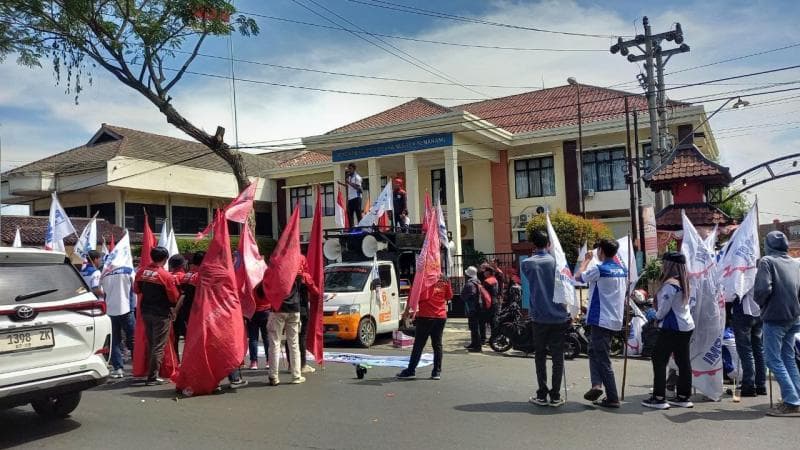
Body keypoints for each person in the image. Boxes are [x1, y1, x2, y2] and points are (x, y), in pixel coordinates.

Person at [575, 239, 626, 408]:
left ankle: (613, 397)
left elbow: (578, 277)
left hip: (601, 318)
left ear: (601, 251)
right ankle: (596, 384)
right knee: (592, 350)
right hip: (615, 318)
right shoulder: (621, 269)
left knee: (602, 358)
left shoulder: (599, 269)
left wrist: (586, 260)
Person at [754, 231, 800, 417]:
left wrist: (762, 304)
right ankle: (796, 397)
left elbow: (762, 289)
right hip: (794, 317)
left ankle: (791, 401)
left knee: (772, 360)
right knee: (787, 358)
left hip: (775, 317)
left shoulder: (767, 261)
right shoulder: (794, 263)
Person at [641, 252, 695, 410]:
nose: (662, 266)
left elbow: (664, 307)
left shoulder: (670, 284)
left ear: (670, 264)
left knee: (658, 359)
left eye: (664, 263)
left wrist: (656, 318)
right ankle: (684, 397)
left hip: (673, 326)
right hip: (686, 325)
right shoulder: (684, 280)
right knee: (683, 361)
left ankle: (658, 398)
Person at [523, 230, 570, 407]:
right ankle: (556, 395)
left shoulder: (527, 263)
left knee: (540, 356)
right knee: (558, 357)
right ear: (548, 244)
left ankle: (542, 394)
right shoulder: (557, 262)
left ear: (533, 244)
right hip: (559, 316)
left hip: (539, 317)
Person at [262, 263, 320, 386]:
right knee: (294, 343)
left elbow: (265, 286)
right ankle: (296, 375)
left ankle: (273, 376)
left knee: (274, 343)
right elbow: (312, 288)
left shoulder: (275, 269)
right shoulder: (297, 271)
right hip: (294, 308)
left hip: (278, 308)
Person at [134, 246, 180, 386]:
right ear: (165, 259)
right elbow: (174, 297)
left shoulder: (141, 271)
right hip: (161, 313)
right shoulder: (165, 276)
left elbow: (136, 289)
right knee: (158, 346)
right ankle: (152, 377)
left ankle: (150, 372)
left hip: (145, 311)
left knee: (152, 343)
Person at [397, 273, 453, 380]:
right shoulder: (444, 279)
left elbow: (413, 296)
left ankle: (411, 370)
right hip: (440, 316)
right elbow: (449, 296)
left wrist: (406, 313)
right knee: (437, 345)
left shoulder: (422, 277)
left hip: (425, 316)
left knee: (418, 345)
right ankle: (436, 372)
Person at [101, 261, 135, 379]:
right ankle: (137, 367)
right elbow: (135, 288)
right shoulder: (128, 270)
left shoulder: (105, 273)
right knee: (133, 339)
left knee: (114, 340)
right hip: (127, 309)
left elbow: (102, 291)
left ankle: (118, 368)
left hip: (110, 310)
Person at [732, 289, 767, 397]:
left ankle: (748, 385)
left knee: (745, 351)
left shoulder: (743, 271)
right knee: (758, 349)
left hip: (744, 312)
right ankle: (760, 385)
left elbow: (734, 292)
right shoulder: (761, 271)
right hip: (759, 311)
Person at [286, 257, 316, 374]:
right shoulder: (305, 277)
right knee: (301, 338)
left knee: (290, 338)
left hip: (286, 309)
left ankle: (291, 365)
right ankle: (302, 365)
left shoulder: (285, 274)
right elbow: (315, 290)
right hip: (301, 310)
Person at [174, 251, 203, 361]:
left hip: (184, 311)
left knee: (188, 338)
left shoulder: (186, 276)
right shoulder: (200, 276)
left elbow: (182, 294)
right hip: (197, 312)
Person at [248, 288, 270, 370]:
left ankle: (254, 362)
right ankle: (269, 360)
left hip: (253, 312)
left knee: (253, 338)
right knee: (267, 337)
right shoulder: (266, 283)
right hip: (266, 311)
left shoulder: (252, 282)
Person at [461, 266, 482, 352]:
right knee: (474, 327)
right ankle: (474, 343)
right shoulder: (477, 281)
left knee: (474, 327)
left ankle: (477, 346)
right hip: (476, 308)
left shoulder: (470, 284)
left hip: (472, 308)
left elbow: (472, 294)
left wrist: (464, 297)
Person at [480, 266, 499, 343]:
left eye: (485, 271)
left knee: (482, 321)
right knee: (493, 321)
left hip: (489, 303)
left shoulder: (487, 281)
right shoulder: (495, 280)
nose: (484, 273)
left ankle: (483, 338)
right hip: (495, 302)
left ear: (488, 272)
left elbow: (485, 295)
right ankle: (494, 338)